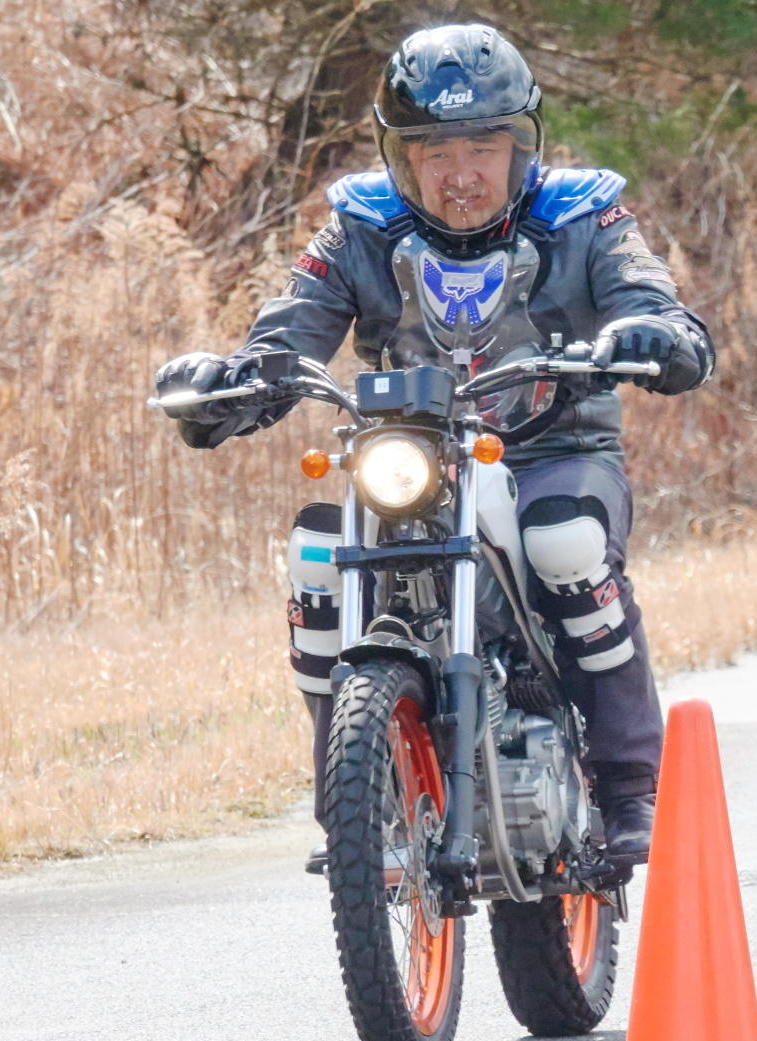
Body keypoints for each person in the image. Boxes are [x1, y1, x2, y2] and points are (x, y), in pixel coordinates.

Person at [152, 23, 713, 871]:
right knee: (314, 556)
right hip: (409, 455)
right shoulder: (358, 226)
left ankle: (633, 787)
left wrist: (654, 334)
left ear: (522, 146)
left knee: (565, 543)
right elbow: (291, 331)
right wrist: (234, 384)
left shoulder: (586, 212)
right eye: (433, 151)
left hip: (551, 449)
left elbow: (655, 300)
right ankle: (350, 801)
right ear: (398, 159)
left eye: (484, 147)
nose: (461, 175)